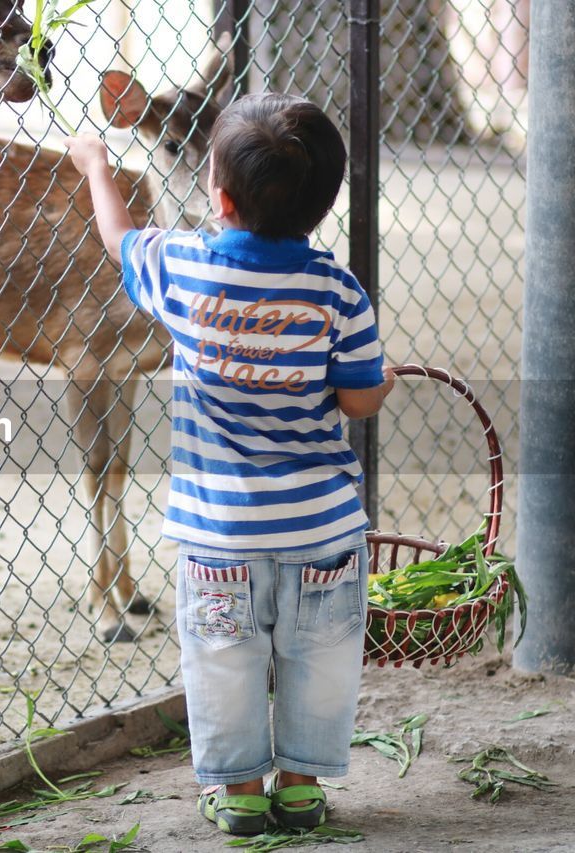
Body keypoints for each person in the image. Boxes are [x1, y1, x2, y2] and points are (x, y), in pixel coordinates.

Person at [63, 92, 394, 836]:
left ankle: (241, 791)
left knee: (223, 661)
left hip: (219, 536)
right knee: (320, 659)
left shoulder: (183, 267)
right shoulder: (338, 291)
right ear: (324, 204)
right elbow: (360, 398)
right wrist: (383, 379)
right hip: (322, 530)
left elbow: (119, 238)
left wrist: (94, 164)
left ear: (217, 196)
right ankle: (302, 786)